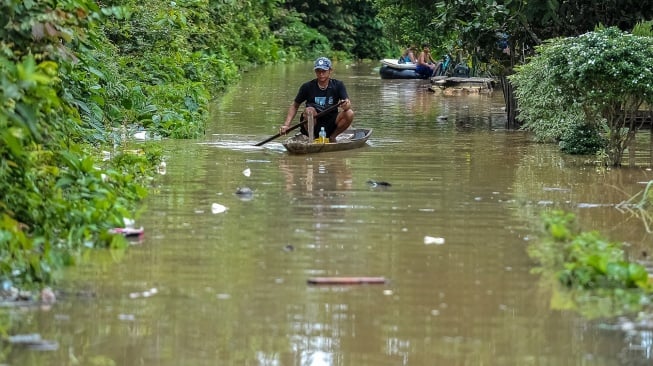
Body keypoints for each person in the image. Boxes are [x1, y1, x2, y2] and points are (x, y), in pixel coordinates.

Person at [280, 57, 354, 143]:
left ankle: (332, 137)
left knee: (349, 113)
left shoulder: (338, 85)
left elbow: (347, 104)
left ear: (330, 71)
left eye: (324, 71)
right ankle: (312, 139)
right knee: (309, 110)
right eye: (318, 71)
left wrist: (345, 105)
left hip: (331, 123)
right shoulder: (307, 87)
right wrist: (286, 125)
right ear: (315, 71)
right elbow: (295, 105)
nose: (321, 74)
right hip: (312, 122)